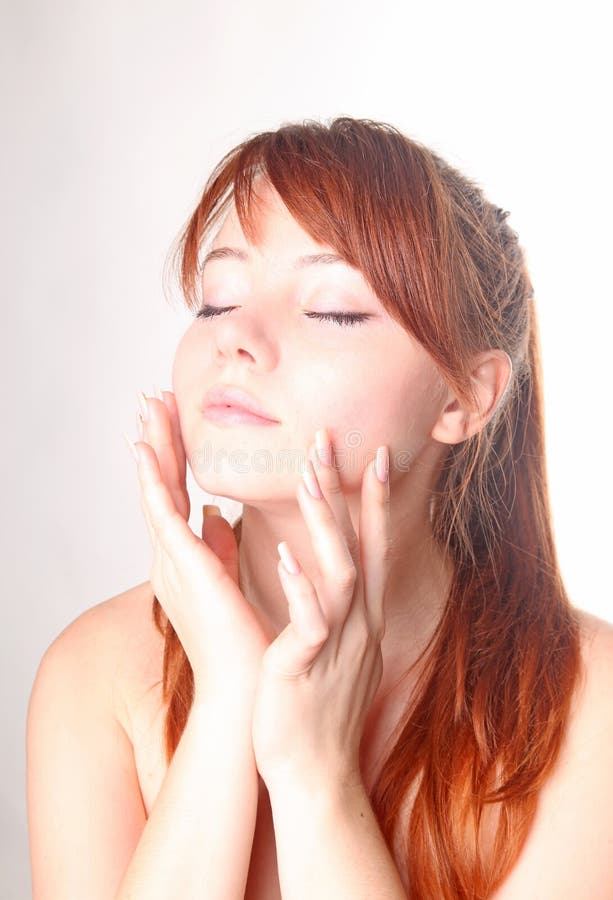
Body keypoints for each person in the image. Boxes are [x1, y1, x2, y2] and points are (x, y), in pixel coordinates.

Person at [26, 116, 613, 900]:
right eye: (217, 299)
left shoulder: (587, 704)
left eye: (332, 310)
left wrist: (317, 780)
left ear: (465, 397)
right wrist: (230, 696)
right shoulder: (98, 675)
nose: (237, 337)